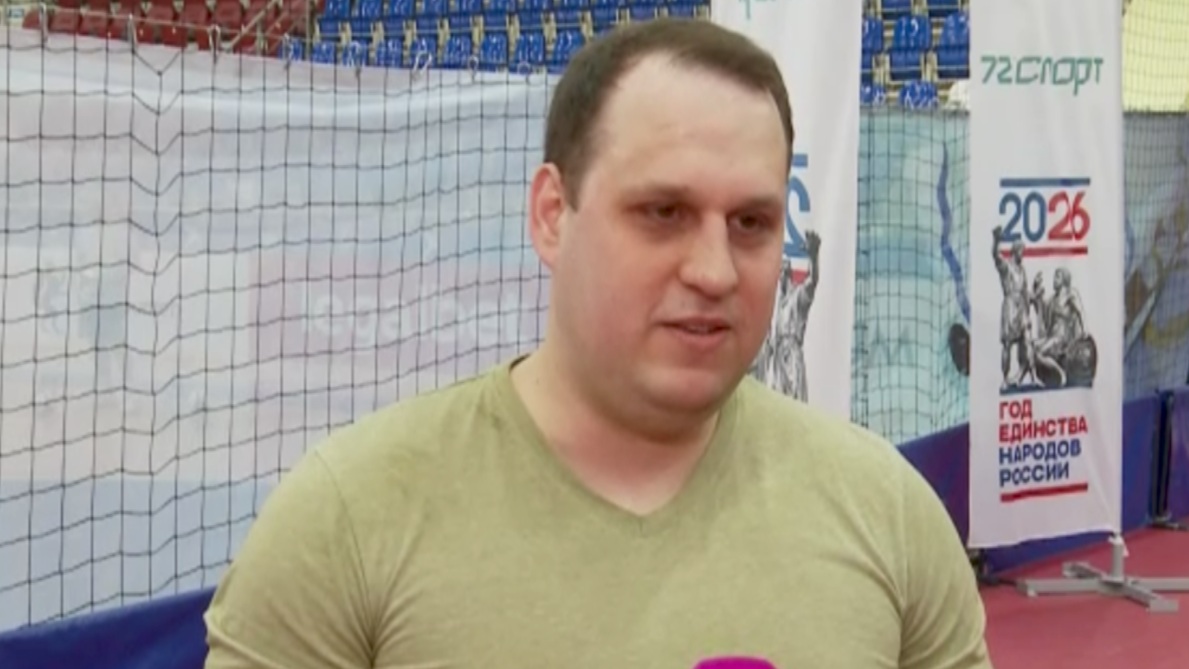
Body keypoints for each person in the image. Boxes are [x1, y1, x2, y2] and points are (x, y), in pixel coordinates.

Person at [202, 18, 993, 669]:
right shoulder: (347, 520)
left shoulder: (887, 514)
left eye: (750, 223)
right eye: (662, 212)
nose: (714, 269)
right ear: (552, 214)